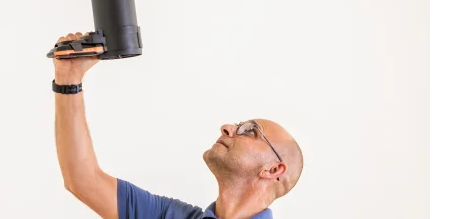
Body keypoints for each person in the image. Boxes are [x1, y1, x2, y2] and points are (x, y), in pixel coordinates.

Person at [52, 32, 304, 219]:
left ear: (274, 169)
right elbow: (82, 179)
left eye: (250, 131)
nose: (227, 128)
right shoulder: (169, 215)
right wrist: (68, 78)